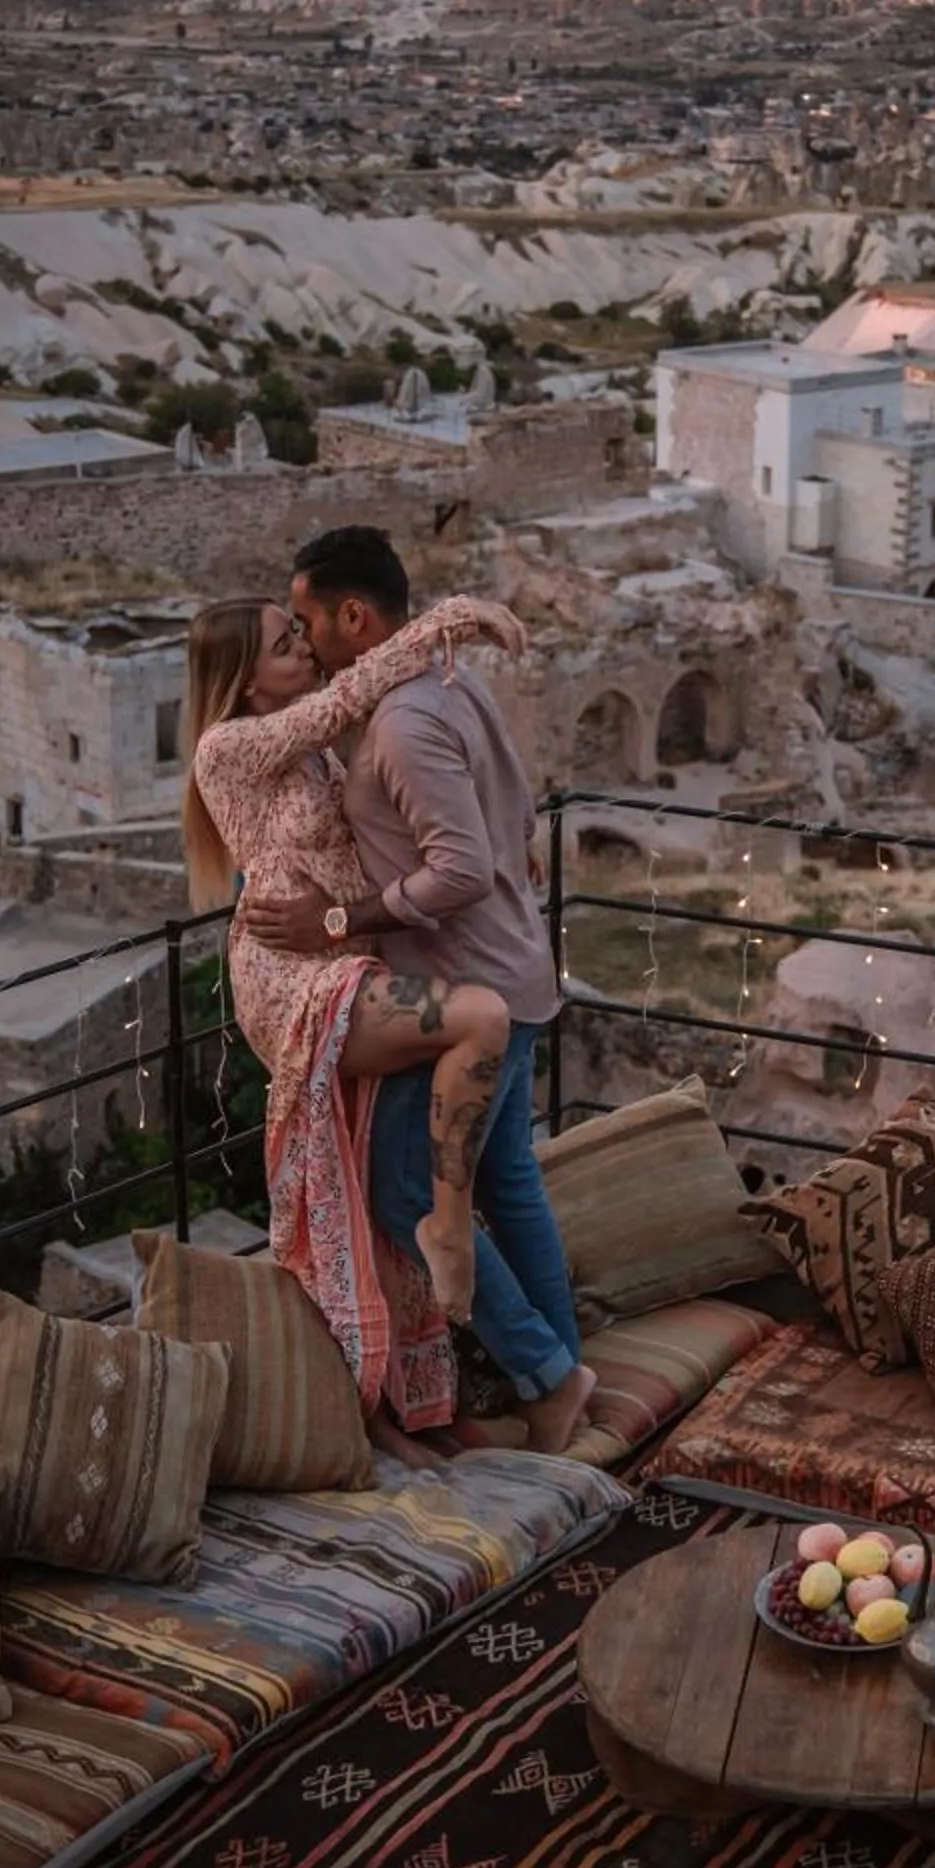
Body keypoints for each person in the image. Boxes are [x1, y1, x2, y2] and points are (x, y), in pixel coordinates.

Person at [240, 527, 596, 1456]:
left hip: (463, 978)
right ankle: (564, 1373)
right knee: (510, 1182)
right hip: (513, 967)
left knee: (405, 1191)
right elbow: (511, 814)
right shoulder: (450, 684)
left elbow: (463, 869)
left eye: (310, 620)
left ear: (354, 616)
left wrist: (340, 918)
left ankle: (549, 1378)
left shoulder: (400, 721)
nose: (309, 641)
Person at [182, 588, 524, 1448]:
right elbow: (347, 696)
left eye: (298, 632)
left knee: (367, 1184)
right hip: (287, 977)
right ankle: (450, 1227)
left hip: (342, 960)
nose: (302, 647)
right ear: (241, 673)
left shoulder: (313, 755)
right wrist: (450, 618)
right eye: (281, 641)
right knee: (481, 1018)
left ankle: (397, 1413)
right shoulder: (226, 748)